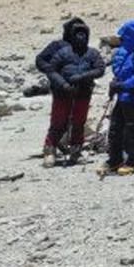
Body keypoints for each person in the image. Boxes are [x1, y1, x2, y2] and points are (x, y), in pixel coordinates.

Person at [36, 18, 106, 167]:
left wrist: (82, 77)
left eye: (83, 33)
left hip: (83, 92)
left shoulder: (91, 53)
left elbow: (100, 68)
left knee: (78, 123)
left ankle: (75, 151)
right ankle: (50, 150)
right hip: (62, 92)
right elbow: (47, 66)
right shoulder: (60, 49)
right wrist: (62, 84)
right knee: (58, 122)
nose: (80, 36)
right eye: (77, 32)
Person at [99, 20, 134, 177]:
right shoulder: (126, 51)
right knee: (116, 129)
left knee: (133, 129)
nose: (121, 38)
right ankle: (115, 159)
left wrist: (124, 85)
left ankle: (133, 161)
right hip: (123, 96)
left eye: (124, 35)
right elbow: (120, 71)